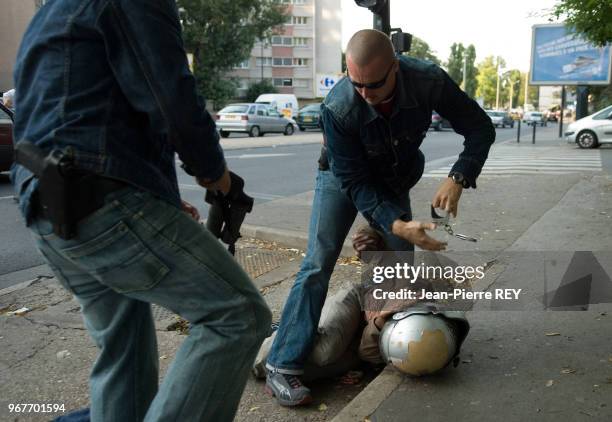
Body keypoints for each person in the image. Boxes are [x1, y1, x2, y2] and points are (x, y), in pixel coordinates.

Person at [11, 1, 271, 421]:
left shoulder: (55, 9)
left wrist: (160, 200)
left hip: (48, 203)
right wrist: (216, 176)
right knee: (237, 315)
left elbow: (84, 112)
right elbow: (171, 100)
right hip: (98, 194)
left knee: (124, 350)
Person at [265, 29, 494, 406]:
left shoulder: (427, 80)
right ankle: (281, 363)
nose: (365, 95)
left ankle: (382, 344)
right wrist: (395, 221)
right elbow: (354, 182)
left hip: (394, 172)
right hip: (342, 177)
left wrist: (458, 177)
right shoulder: (338, 107)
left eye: (373, 85)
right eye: (356, 84)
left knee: (398, 263)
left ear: (395, 68)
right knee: (318, 260)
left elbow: (480, 128)